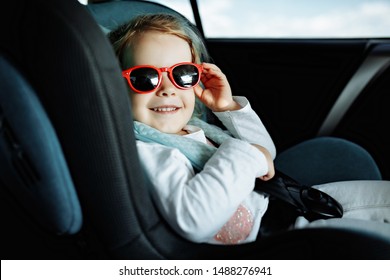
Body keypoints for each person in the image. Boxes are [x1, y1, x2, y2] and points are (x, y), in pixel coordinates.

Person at [109, 13, 390, 245]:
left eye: (182, 74)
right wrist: (246, 154)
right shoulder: (147, 151)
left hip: (286, 205)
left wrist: (228, 108)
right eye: (145, 77)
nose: (168, 89)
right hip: (274, 239)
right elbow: (194, 220)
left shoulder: (194, 127)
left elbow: (265, 153)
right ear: (114, 89)